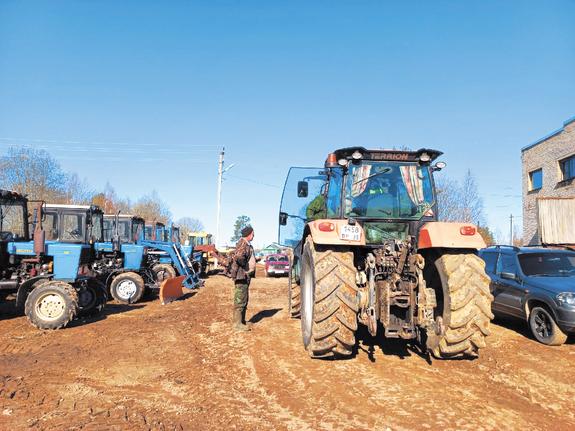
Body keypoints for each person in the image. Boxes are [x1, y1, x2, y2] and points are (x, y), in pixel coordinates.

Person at [230, 225, 256, 331]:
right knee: (240, 299)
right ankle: (237, 324)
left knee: (244, 298)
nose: (254, 235)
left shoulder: (247, 244)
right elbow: (239, 256)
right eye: (253, 233)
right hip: (241, 275)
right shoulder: (242, 243)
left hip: (245, 276)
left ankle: (242, 320)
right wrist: (245, 266)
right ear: (249, 234)